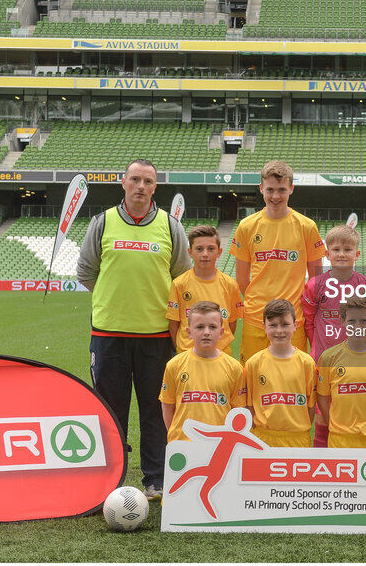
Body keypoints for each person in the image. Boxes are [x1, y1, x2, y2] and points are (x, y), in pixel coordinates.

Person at [77, 158, 191, 501]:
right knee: (112, 411)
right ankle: (113, 477)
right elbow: (86, 271)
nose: (141, 186)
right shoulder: (103, 222)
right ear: (123, 183)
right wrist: (115, 300)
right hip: (109, 334)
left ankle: (155, 479)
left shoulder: (170, 226)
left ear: (155, 188)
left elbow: (181, 277)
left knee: (155, 411)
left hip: (156, 336)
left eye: (148, 182)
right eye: (135, 180)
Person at [229, 160, 326, 362]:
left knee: (292, 379)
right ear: (261, 188)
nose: (275, 196)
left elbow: (316, 280)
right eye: (270, 189)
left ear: (291, 189)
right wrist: (260, 305)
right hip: (256, 318)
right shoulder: (246, 226)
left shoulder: (306, 226)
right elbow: (242, 280)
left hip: (293, 320)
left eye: (281, 190)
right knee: (252, 379)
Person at [302, 224, 366, 447]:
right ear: (327, 254)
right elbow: (309, 321)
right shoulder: (315, 285)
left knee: (351, 407)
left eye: (347, 250)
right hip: (324, 359)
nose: (341, 254)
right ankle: (321, 460)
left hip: (357, 360)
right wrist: (317, 348)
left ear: (357, 254)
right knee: (323, 411)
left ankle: (354, 457)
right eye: (336, 250)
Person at [160, 301, 247, 443]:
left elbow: (237, 411)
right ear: (189, 332)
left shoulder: (234, 368)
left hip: (220, 444)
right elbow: (167, 405)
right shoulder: (174, 365)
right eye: (200, 327)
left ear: (221, 332)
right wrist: (176, 436)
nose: (206, 332)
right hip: (183, 443)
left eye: (212, 327)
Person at [316, 296, 366, 448]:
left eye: (364, 321)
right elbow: (322, 397)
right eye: (352, 321)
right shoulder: (329, 358)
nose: (357, 326)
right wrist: (334, 425)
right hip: (341, 440)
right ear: (343, 321)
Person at [245, 299, 318, 447]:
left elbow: (311, 405)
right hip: (263, 438)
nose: (279, 330)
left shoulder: (307, 363)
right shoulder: (254, 363)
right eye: (273, 325)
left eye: (285, 324)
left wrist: (297, 427)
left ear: (295, 325)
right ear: (264, 326)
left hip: (298, 439)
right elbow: (249, 405)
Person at [167, 224, 243, 357]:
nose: (205, 254)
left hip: (220, 355)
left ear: (219, 252)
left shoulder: (230, 285)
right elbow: (174, 325)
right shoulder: (179, 284)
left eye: (211, 248)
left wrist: (220, 344)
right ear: (190, 252)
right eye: (199, 249)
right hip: (187, 355)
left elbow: (231, 324)